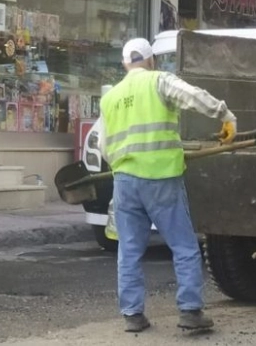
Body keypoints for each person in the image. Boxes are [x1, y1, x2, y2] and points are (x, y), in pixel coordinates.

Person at [97, 38, 237, 333]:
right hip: (161, 179)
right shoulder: (159, 81)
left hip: (125, 182)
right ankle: (189, 312)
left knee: (129, 251)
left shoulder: (110, 97)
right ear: (151, 60)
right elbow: (194, 97)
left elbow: (105, 147)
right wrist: (224, 114)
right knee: (184, 246)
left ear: (125, 63)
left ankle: (133, 316)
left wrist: (125, 167)